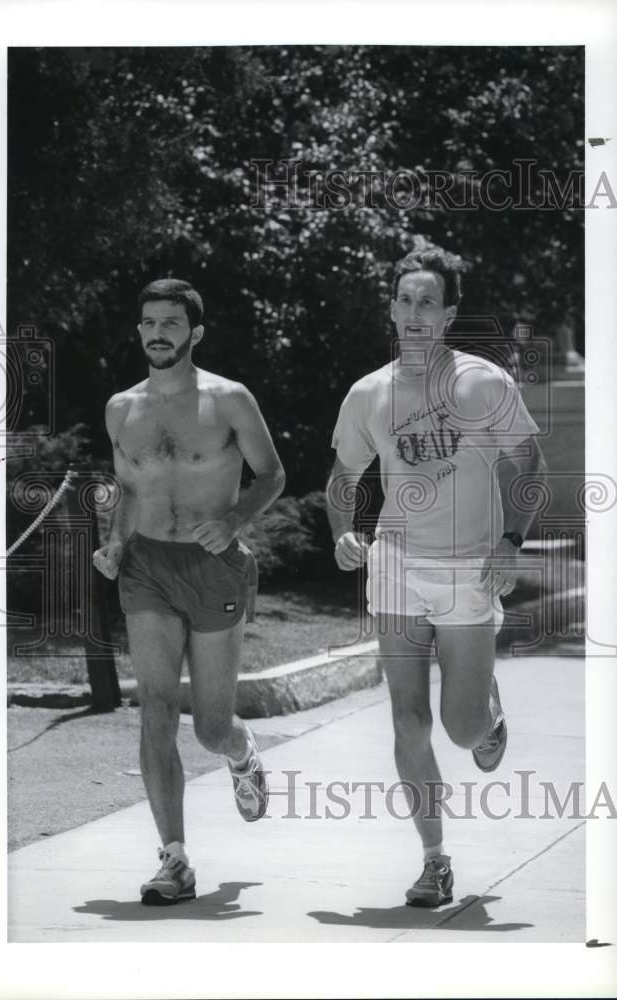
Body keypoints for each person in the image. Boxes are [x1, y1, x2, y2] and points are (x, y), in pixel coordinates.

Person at [326, 248, 547, 907]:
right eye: (405, 302)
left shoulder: (484, 384)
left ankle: (489, 714)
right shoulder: (369, 393)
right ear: (391, 309)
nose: (415, 314)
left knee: (461, 729)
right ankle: (434, 861)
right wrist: (343, 528)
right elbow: (343, 477)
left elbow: (529, 465)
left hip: (468, 570)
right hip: (395, 564)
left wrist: (512, 541)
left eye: (429, 303)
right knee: (408, 721)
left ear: (448, 313)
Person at [93, 278, 285, 905]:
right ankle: (173, 858)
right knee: (153, 706)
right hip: (147, 566)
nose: (157, 333)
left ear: (194, 333)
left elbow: (273, 474)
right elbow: (127, 490)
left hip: (214, 566)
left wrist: (233, 521)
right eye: (149, 322)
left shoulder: (229, 401)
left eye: (171, 323)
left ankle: (241, 749)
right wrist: (116, 543)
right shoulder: (122, 408)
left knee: (207, 726)